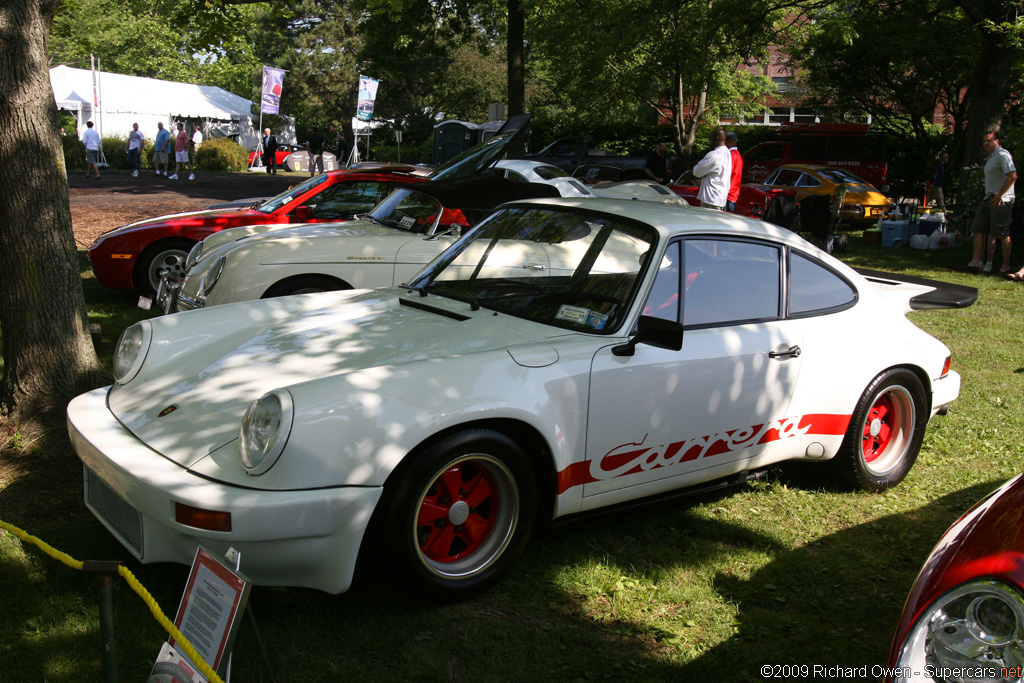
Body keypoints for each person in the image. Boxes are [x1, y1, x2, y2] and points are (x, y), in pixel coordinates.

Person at [967, 130, 1016, 274]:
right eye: (984, 141)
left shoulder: (1002, 155)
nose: (985, 144)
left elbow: (1012, 176)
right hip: (988, 198)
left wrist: (1000, 195)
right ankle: (976, 262)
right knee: (978, 229)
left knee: (1001, 234)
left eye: (989, 141)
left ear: (997, 141)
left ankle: (1005, 266)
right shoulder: (991, 157)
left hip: (1001, 200)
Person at [692, 128, 732, 210]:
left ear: (716, 138)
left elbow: (696, 172)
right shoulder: (727, 153)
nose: (709, 140)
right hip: (721, 196)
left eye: (711, 137)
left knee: (706, 222)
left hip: (710, 198)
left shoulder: (714, 155)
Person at [725, 131, 743, 213]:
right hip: (734, 192)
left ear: (728, 142)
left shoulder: (730, 155)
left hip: (728, 193)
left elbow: (726, 174)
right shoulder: (738, 154)